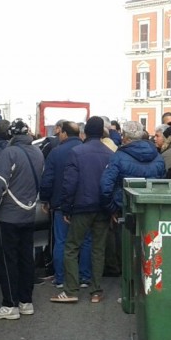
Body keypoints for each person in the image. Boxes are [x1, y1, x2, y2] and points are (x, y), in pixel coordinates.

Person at [0, 119, 45, 320]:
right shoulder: (38, 152)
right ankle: (26, 302)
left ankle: (10, 305)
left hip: (7, 216)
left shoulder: (8, 153)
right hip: (28, 214)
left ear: (11, 135)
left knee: (8, 261)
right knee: (26, 259)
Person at [53, 116, 113, 304]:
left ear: (84, 132)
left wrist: (66, 208)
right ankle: (96, 290)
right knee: (98, 249)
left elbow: (69, 183)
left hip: (81, 206)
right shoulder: (110, 153)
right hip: (102, 207)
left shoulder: (77, 152)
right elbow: (112, 183)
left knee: (71, 247)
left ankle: (71, 289)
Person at [38, 121, 91, 289]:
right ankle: (84, 277)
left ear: (65, 134)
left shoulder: (56, 152)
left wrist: (46, 200)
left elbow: (47, 179)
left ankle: (60, 278)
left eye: (60, 133)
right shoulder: (86, 151)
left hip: (61, 204)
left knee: (61, 241)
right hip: (85, 204)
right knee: (85, 241)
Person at [101, 120, 166, 216]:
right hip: (150, 209)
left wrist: (113, 210)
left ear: (125, 137)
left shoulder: (118, 157)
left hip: (125, 210)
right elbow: (163, 185)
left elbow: (105, 187)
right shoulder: (158, 157)